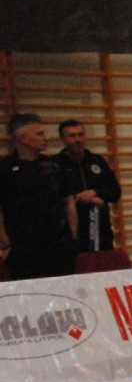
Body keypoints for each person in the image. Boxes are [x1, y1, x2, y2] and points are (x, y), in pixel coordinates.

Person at [0, 113, 77, 280]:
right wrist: (4, 244)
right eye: (40, 134)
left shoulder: (54, 166)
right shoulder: (5, 169)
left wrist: (73, 237)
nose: (46, 138)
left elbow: (68, 201)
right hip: (24, 249)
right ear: (23, 138)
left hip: (59, 246)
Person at [55, 119, 122, 252]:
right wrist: (78, 198)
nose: (78, 140)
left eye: (81, 135)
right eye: (72, 136)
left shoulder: (97, 161)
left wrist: (96, 193)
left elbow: (115, 192)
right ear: (62, 139)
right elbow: (54, 200)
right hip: (71, 236)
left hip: (100, 232)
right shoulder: (56, 165)